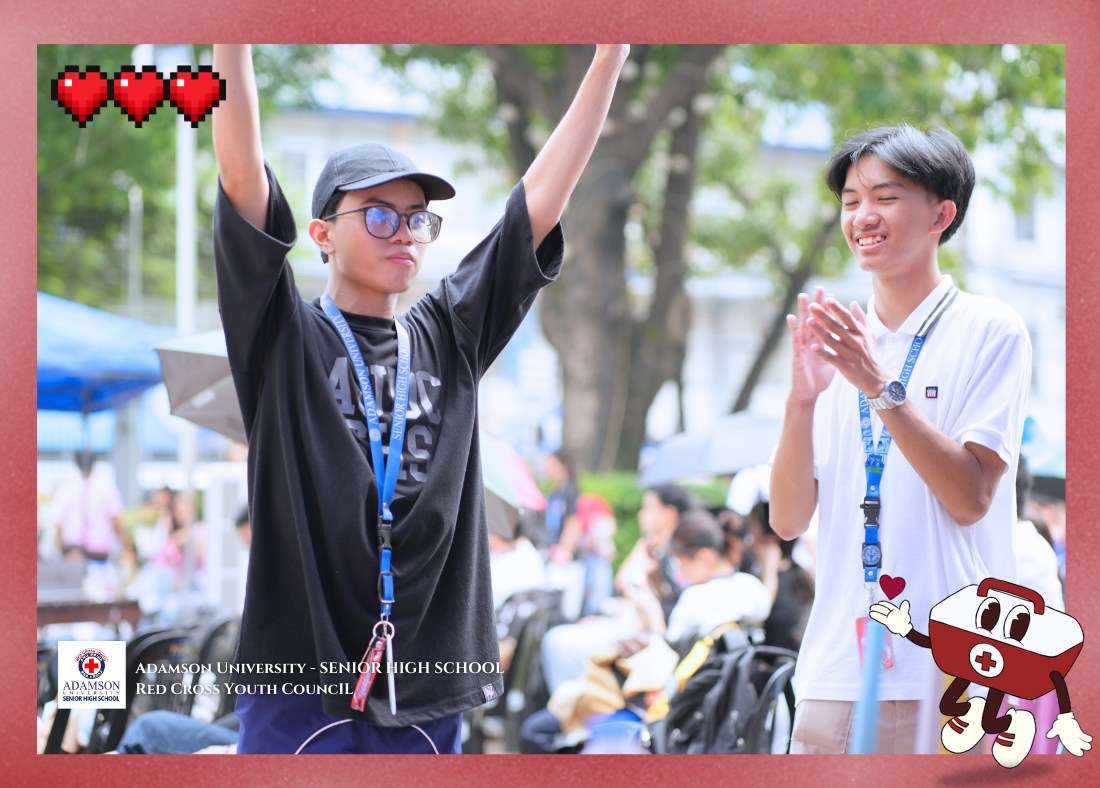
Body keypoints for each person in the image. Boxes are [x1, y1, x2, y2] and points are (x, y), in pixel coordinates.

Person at [210, 43, 629, 754]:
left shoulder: (448, 333)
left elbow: (536, 203)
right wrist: (232, 38)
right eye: (379, 215)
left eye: (417, 219)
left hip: (427, 677)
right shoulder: (282, 334)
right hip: (299, 674)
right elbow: (243, 173)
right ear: (322, 234)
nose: (404, 232)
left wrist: (610, 56)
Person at [769, 124, 1031, 755]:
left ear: (942, 214)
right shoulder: (838, 340)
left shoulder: (990, 329)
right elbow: (787, 519)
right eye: (851, 201)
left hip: (953, 676)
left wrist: (877, 384)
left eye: (885, 198)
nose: (863, 216)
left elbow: (970, 498)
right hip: (833, 674)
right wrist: (802, 402)